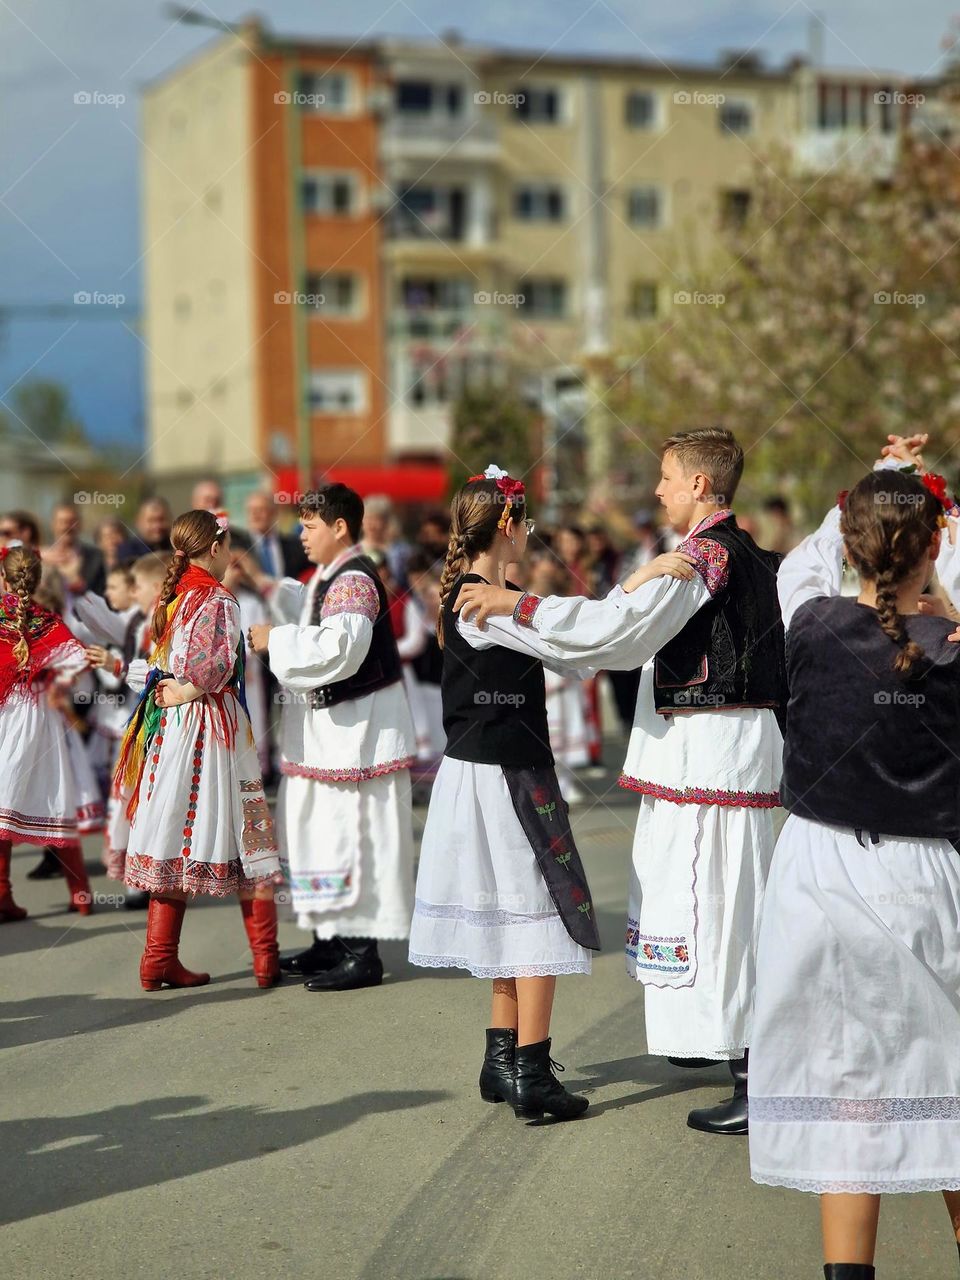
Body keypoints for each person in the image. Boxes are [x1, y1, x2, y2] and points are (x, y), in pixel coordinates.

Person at [458, 428, 787, 1136]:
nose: (660, 487)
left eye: (669, 476)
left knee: (719, 914)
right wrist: (522, 616)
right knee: (722, 911)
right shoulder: (738, 551)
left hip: (711, 758)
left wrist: (515, 609)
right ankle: (743, 1061)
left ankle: (758, 1078)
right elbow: (614, 633)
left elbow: (620, 638)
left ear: (701, 485)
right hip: (714, 759)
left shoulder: (704, 557)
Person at [748, 442, 960, 1279]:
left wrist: (872, 493)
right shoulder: (952, 642)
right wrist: (930, 501)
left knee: (847, 1092)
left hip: (818, 876)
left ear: (853, 546)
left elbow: (798, 566)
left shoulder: (812, 623)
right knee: (949, 1077)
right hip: (925, 877)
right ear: (935, 547)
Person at [248, 484, 416, 992]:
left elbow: (342, 645)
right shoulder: (330, 577)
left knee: (352, 835)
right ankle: (330, 936)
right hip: (332, 734)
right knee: (319, 833)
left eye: (310, 526)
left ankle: (362, 951)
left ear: (340, 527)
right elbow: (307, 610)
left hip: (357, 733)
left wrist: (272, 640)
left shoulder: (354, 580)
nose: (301, 535)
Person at [108, 510, 283, 990]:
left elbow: (162, 665)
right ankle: (265, 958)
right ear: (214, 549)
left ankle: (157, 960)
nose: (231, 557)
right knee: (246, 832)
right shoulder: (218, 599)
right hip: (213, 725)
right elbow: (215, 667)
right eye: (228, 547)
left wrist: (176, 690)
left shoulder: (172, 597)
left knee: (173, 832)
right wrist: (189, 688)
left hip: (174, 730)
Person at [0, 543, 99, 922]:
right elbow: (79, 659)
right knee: (57, 801)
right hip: (41, 719)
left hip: (6, 716)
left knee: (2, 806)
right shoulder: (49, 622)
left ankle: (3, 895)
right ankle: (82, 894)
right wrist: (55, 681)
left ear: (5, 579)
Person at [42, 503, 106, 595]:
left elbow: (101, 593)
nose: (67, 527)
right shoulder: (41, 557)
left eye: (72, 522)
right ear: (53, 524)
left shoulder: (96, 557)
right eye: (62, 521)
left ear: (80, 524)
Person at [245, 490, 310, 580]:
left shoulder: (294, 545)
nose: (255, 514)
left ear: (274, 513)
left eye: (260, 509)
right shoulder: (240, 546)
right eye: (251, 510)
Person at [116, 498, 172, 562]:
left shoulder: (176, 548)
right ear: (138, 522)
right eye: (151, 521)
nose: (157, 526)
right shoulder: (128, 551)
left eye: (161, 520)